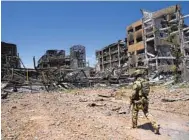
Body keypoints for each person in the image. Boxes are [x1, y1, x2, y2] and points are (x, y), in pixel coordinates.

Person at [130, 69, 160, 134]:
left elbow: (134, 93)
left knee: (134, 112)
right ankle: (155, 125)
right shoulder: (145, 82)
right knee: (147, 113)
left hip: (138, 101)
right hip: (145, 100)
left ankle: (134, 126)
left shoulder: (136, 83)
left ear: (136, 76)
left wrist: (132, 99)